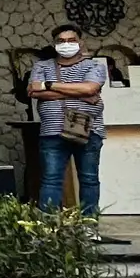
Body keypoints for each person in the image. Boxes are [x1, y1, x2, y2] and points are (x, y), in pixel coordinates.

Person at [28, 23, 106, 213]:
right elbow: (33, 90)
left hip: (88, 130)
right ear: (54, 44)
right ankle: (48, 227)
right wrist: (77, 91)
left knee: (88, 179)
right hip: (52, 131)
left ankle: (88, 226)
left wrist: (49, 86)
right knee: (51, 179)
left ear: (81, 42)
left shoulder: (94, 65)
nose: (67, 44)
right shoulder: (42, 66)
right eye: (61, 41)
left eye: (71, 40)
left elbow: (90, 88)